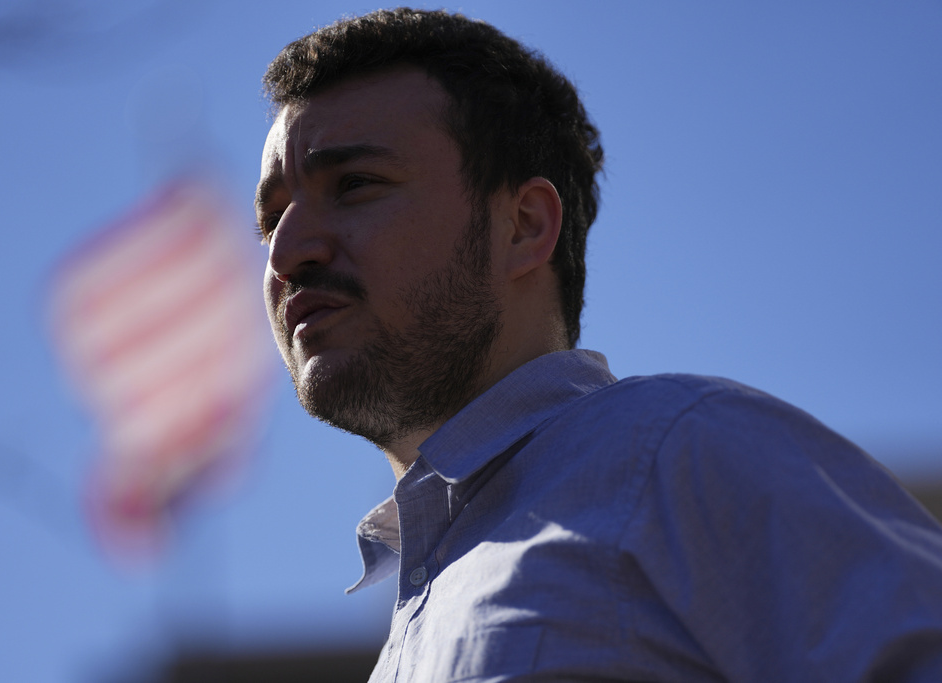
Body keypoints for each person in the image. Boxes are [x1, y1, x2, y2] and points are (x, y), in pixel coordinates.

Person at [255, 8, 942, 682]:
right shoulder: (406, 637)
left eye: (354, 185)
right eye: (270, 217)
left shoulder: (677, 450)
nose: (287, 251)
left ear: (524, 226)